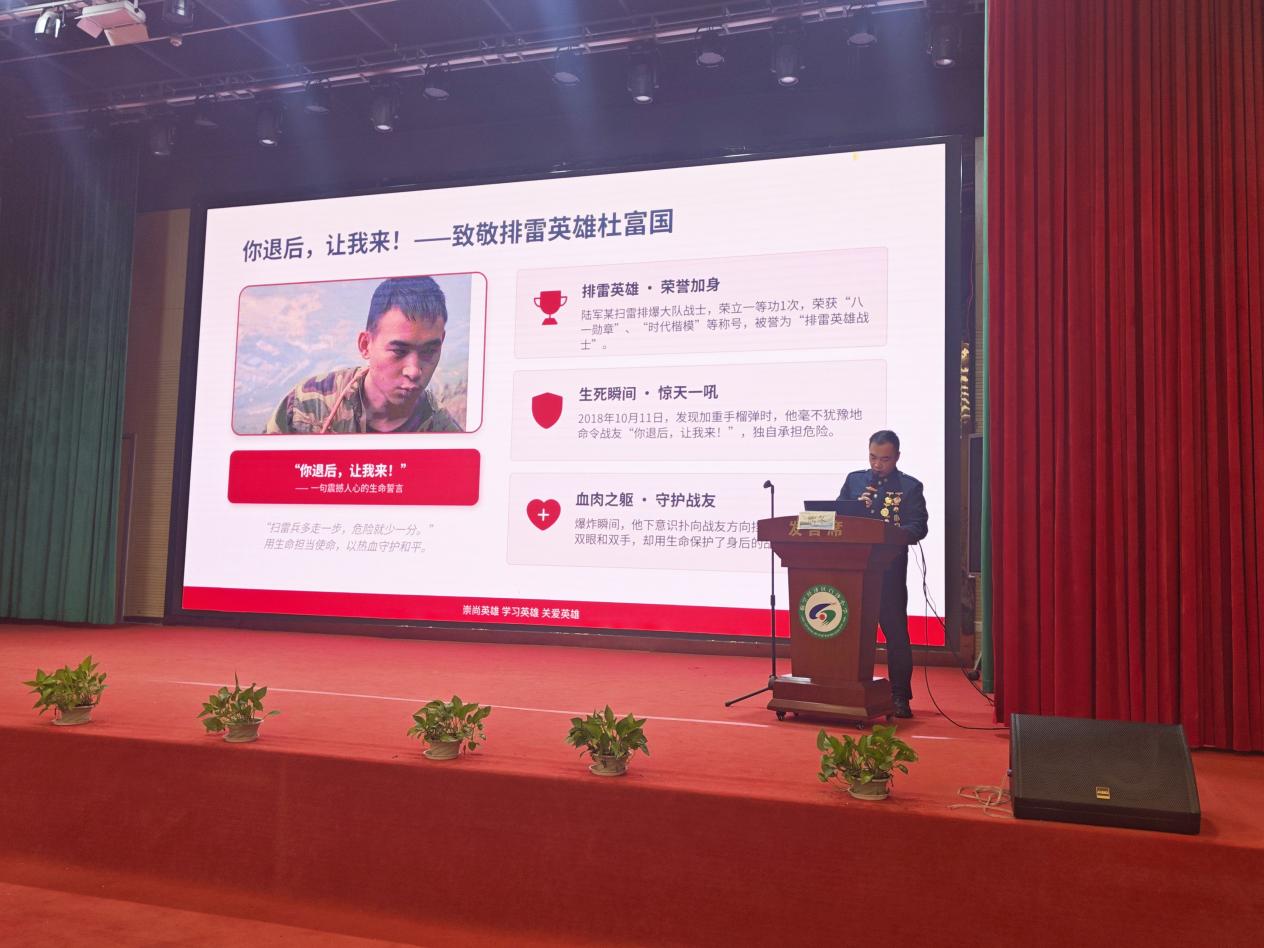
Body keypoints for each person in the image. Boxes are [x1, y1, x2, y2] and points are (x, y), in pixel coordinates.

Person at [266, 275, 463, 434]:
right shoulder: (309, 406)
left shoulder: (444, 434)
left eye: (429, 351)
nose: (414, 371)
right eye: (399, 351)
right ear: (365, 345)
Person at [837, 429, 929, 718]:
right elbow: (836, 517)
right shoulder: (855, 481)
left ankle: (900, 696)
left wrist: (889, 534)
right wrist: (856, 509)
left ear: (897, 457)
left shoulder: (910, 487)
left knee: (895, 632)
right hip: (853, 570)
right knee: (847, 632)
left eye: (885, 459)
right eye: (873, 458)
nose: (877, 465)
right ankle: (845, 689)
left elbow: (918, 527)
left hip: (889, 571)